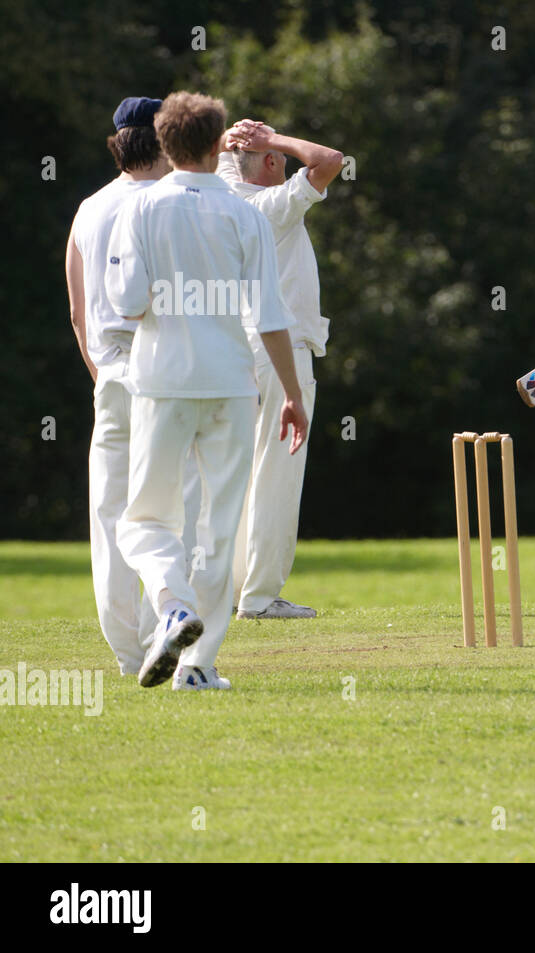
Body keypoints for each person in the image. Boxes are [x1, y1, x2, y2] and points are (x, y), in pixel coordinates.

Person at [106, 91, 308, 690]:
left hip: (162, 383)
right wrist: (293, 395)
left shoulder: (139, 210)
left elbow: (126, 303)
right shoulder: (246, 213)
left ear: (164, 145)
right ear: (220, 143)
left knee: (145, 519)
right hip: (230, 383)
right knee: (220, 528)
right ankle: (197, 666)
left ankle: (172, 606)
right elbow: (271, 315)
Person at [211, 118, 343, 620]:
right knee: (278, 474)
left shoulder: (224, 196)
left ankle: (235, 590)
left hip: (236, 352)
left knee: (242, 475)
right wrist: (275, 139)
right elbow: (330, 160)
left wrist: (235, 140)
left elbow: (227, 157)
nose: (286, 163)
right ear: (268, 163)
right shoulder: (272, 208)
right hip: (280, 351)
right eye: (280, 160)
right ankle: (261, 597)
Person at [65, 96, 170, 675]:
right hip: (165, 372)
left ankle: (129, 653)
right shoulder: (170, 202)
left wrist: (102, 374)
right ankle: (169, 624)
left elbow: (79, 312)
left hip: (110, 376)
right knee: (172, 509)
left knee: (110, 516)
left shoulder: (88, 208)